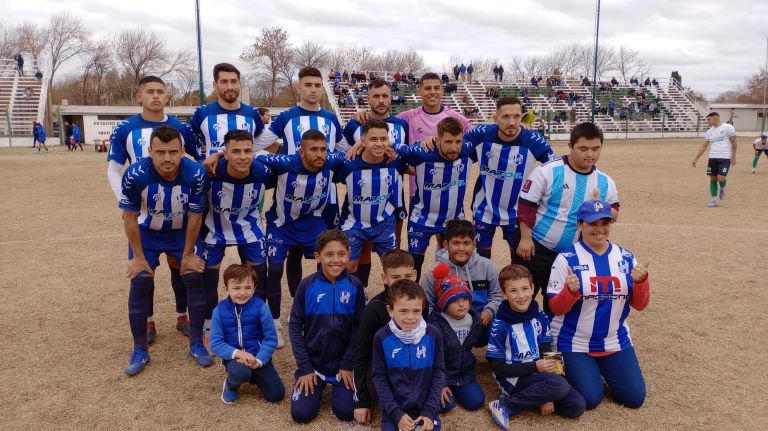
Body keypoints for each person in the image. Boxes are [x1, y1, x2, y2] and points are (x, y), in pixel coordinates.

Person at [206, 66, 347, 298]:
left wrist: (362, 145)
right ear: (299, 87)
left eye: (317, 85)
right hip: (290, 192)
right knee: (291, 253)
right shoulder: (286, 117)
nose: (313, 90)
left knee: (327, 254)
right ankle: (294, 303)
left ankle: (325, 303)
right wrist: (222, 154)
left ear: (323, 88)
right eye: (308, 85)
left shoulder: (331, 119)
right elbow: (255, 144)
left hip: (324, 198)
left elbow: (346, 149)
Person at [107, 76, 199, 342]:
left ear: (167, 96)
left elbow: (198, 160)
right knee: (144, 268)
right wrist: (126, 204)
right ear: (139, 96)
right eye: (150, 91)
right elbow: (113, 169)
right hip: (143, 212)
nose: (156, 96)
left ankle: (182, 315)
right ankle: (147, 322)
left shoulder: (181, 128)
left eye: (161, 91)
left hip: (178, 214)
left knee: (178, 262)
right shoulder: (126, 128)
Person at [119, 125, 210, 376]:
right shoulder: (135, 174)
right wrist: (138, 257)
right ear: (150, 151)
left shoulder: (196, 173)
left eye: (173, 152)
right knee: (140, 280)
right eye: (160, 152)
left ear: (182, 151)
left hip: (182, 231)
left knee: (193, 276)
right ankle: (139, 349)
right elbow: (129, 217)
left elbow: (195, 217)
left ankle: (196, 344)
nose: (167, 158)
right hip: (147, 232)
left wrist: (189, 254)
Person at [546, 200, 650, 410]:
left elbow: (639, 305)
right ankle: (584, 370)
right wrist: (570, 292)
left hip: (614, 340)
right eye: (593, 223)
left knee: (634, 399)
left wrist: (641, 283)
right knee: (591, 399)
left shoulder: (626, 257)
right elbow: (556, 309)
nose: (600, 229)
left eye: (605, 222)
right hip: (573, 342)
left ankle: (598, 369)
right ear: (580, 225)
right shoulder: (566, 259)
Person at [516, 122, 619, 313]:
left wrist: (597, 210)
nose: (590, 154)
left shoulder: (605, 181)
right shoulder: (547, 171)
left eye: (596, 149)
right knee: (523, 296)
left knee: (557, 300)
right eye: (583, 149)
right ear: (571, 146)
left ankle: (551, 339)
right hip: (536, 247)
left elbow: (614, 210)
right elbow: (526, 206)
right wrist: (525, 238)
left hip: (572, 254)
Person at [196, 130, 276, 349]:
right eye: (236, 151)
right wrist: (215, 157)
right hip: (215, 230)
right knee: (209, 282)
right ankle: (210, 328)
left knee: (259, 280)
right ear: (226, 153)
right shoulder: (209, 170)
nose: (243, 156)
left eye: (248, 151)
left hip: (249, 230)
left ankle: (256, 325)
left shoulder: (264, 172)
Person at [486, 264, 585, 430]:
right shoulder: (499, 325)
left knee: (577, 406)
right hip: (514, 379)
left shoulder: (540, 316)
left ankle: (538, 395)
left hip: (540, 375)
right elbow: (499, 369)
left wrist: (552, 386)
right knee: (559, 387)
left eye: (525, 289)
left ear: (533, 289)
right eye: (513, 291)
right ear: (503, 294)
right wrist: (537, 368)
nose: (521, 295)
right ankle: (505, 405)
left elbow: (548, 350)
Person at [461, 96, 556, 260]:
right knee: (480, 260)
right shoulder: (480, 134)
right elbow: (452, 148)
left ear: (522, 117)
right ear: (495, 118)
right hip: (484, 209)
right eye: (505, 117)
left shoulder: (534, 141)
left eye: (516, 116)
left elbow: (556, 169)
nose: (511, 122)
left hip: (517, 213)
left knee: (520, 261)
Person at [289, 229, 364, 424]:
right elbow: (295, 326)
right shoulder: (306, 286)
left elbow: (359, 328)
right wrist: (305, 368)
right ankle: (312, 381)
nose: (335, 260)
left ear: (349, 253)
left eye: (341, 254)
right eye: (329, 254)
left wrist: (348, 364)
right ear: (318, 256)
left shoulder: (355, 286)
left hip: (342, 366)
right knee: (301, 415)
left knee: (347, 413)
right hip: (313, 365)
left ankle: (340, 384)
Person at [342, 78, 410, 286]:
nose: (381, 100)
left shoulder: (401, 124)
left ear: (391, 98)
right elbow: (345, 154)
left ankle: (392, 296)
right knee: (361, 250)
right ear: (368, 98)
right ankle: (359, 291)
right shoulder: (355, 124)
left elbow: (404, 160)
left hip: (392, 200)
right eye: (376, 96)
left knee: (391, 254)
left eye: (385, 96)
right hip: (361, 201)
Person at [396, 117, 474, 280]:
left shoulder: (468, 149)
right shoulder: (420, 152)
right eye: (448, 142)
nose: (454, 147)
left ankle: (445, 293)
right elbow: (392, 147)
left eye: (458, 141)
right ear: (437, 139)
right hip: (421, 217)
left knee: (453, 263)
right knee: (415, 262)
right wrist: (361, 142)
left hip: (453, 218)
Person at [352, 250, 418, 426]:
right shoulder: (373, 310)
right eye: (396, 277)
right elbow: (361, 353)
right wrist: (362, 401)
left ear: (415, 275)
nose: (403, 281)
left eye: (408, 276)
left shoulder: (419, 303)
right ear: (385, 278)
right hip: (382, 368)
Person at [372, 279, 445, 431]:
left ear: (422, 308)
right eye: (403, 311)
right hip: (395, 410)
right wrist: (396, 414)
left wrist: (429, 411)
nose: (411, 317)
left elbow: (439, 373)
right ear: (390, 310)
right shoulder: (381, 337)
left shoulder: (433, 334)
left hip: (424, 408)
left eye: (416, 311)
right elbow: (379, 377)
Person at [336, 120, 407, 276]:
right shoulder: (348, 163)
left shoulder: (395, 160)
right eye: (373, 139)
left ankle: (392, 298)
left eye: (383, 139)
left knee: (392, 267)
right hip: (353, 223)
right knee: (349, 266)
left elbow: (416, 168)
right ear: (363, 141)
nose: (379, 144)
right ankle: (351, 296)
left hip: (384, 222)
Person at [210, 264, 285, 405]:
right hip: (234, 358)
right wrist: (239, 354)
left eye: (248, 287)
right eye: (236, 288)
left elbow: (270, 339)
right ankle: (230, 385)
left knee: (276, 394)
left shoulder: (262, 308)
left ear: (254, 288)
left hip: (258, 356)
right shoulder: (218, 311)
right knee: (240, 371)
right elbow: (215, 344)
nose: (242, 293)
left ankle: (254, 374)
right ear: (226, 288)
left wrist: (259, 360)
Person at [421, 220, 503, 329]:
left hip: (481, 320)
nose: (461, 249)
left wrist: (489, 312)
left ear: (474, 244)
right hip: (448, 324)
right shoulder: (434, 272)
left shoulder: (488, 267)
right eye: (456, 243)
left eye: (466, 243)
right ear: (445, 244)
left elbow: (497, 297)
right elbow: (428, 305)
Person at [427, 264, 486, 414]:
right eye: (454, 300)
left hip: (465, 373)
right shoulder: (434, 325)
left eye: (465, 299)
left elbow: (479, 341)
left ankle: (460, 388)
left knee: (476, 402)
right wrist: (440, 383)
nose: (461, 304)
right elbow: (431, 358)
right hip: (442, 373)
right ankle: (437, 389)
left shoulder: (474, 318)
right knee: (445, 407)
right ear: (443, 304)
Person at [189, 63, 265, 159]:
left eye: (234, 81)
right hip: (212, 173)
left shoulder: (252, 114)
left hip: (246, 173)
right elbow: (188, 139)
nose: (230, 87)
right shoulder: (202, 113)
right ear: (215, 85)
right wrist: (199, 153)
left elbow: (261, 139)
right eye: (224, 82)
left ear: (239, 84)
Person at [692, 112, 737, 207]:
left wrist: (733, 157)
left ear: (715, 118)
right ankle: (714, 200)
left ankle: (722, 187)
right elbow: (704, 146)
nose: (707, 121)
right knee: (712, 178)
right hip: (712, 157)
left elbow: (734, 142)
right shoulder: (709, 132)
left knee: (721, 178)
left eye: (709, 119)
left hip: (725, 157)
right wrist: (696, 158)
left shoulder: (728, 127)